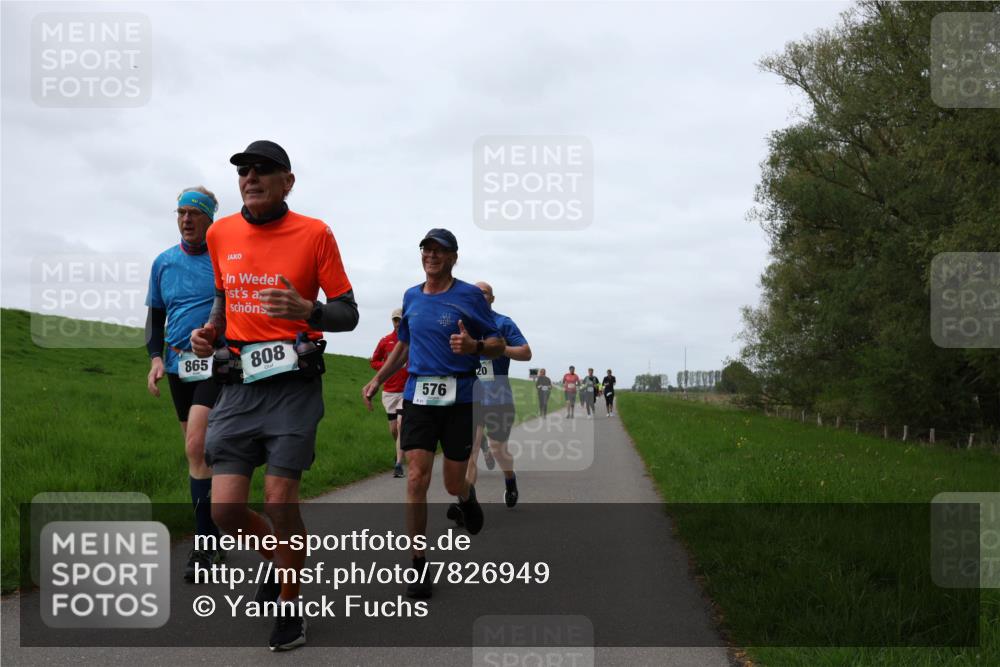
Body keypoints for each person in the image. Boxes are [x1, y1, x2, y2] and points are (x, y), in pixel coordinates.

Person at [191, 140, 359, 652]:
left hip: (293, 386)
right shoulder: (220, 234)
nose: (251, 176)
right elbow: (223, 296)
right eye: (243, 169)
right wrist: (210, 330)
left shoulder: (315, 233)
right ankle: (286, 559)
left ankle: (290, 606)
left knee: (279, 500)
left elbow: (347, 314)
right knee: (223, 512)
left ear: (288, 181)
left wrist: (308, 309)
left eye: (264, 170)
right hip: (238, 384)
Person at [362, 228, 503, 600]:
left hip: (460, 397)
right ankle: (419, 564)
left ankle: (466, 498)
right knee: (415, 477)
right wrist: (378, 379)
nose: (432, 255)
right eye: (427, 249)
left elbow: (497, 343)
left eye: (440, 250)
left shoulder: (470, 296)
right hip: (419, 395)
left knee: (453, 482)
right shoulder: (411, 296)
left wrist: (474, 345)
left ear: (454, 257)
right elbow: (404, 345)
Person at [145, 186, 223, 582]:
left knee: (197, 444)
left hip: (216, 364)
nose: (187, 219)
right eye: (181, 213)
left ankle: (203, 546)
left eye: (195, 213)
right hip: (178, 366)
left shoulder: (222, 259)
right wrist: (156, 359)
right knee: (200, 454)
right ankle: (216, 528)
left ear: (210, 218)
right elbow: (155, 318)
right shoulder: (163, 263)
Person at [462, 282, 532, 509]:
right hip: (469, 398)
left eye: (484, 293)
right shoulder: (463, 324)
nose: (479, 296)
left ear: (492, 299)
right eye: (475, 293)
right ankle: (467, 504)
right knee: (470, 452)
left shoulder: (503, 323)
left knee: (497, 449)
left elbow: (525, 352)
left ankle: (510, 479)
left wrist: (495, 348)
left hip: (499, 397)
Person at [370, 307, 409, 477]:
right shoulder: (385, 341)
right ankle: (400, 450)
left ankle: (399, 464)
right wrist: (388, 365)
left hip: (407, 390)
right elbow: (374, 361)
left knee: (401, 425)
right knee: (394, 429)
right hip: (389, 391)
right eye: (395, 320)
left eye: (400, 319)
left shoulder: (411, 341)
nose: (398, 323)